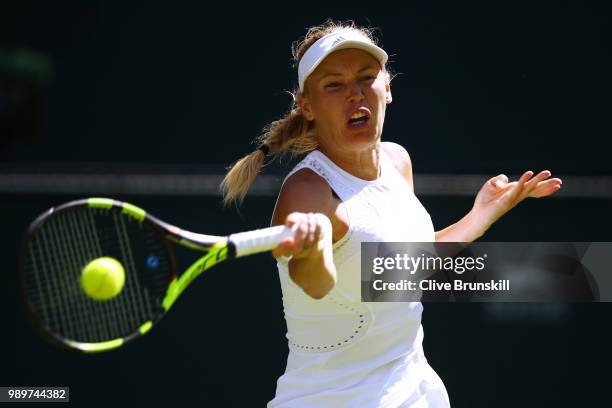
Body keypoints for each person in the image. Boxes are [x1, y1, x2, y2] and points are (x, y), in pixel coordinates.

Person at [221, 20, 562, 408]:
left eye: (366, 77)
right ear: (307, 106)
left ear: (388, 87)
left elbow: (399, 270)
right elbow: (313, 285)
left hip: (412, 390)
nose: (354, 94)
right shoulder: (308, 193)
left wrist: (480, 215)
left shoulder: (397, 161)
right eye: (333, 84)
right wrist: (313, 252)